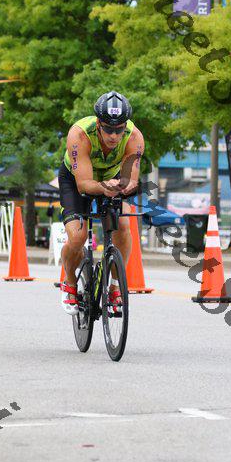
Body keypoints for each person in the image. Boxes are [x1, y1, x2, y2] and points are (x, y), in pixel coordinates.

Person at [59, 90, 145, 315]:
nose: (114, 135)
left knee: (123, 225)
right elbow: (84, 185)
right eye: (108, 129)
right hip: (76, 180)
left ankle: (115, 286)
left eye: (119, 129)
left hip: (111, 179)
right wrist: (105, 187)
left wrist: (123, 185)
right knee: (77, 237)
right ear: (98, 123)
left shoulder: (134, 138)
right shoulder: (79, 135)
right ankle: (69, 282)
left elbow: (131, 179)